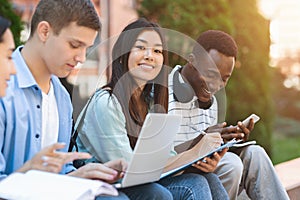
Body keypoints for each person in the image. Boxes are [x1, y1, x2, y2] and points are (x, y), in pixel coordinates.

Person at [74, 18, 229, 200]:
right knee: (191, 186)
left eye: (157, 50)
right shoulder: (106, 103)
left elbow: (166, 158)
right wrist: (195, 151)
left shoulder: (150, 102)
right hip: (107, 186)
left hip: (139, 184)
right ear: (123, 54)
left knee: (209, 178)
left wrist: (201, 159)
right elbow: (130, 170)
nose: (149, 55)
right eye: (141, 48)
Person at [0, 1, 133, 199]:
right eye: (74, 45)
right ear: (44, 32)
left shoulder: (62, 97)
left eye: (86, 48)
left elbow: (60, 174)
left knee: (150, 193)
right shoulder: (5, 88)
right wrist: (30, 171)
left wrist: (83, 174)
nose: (81, 57)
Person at [168, 30, 289, 200]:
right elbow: (160, 161)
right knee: (232, 166)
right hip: (174, 178)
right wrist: (197, 148)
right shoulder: (160, 92)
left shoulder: (210, 100)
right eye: (210, 75)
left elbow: (206, 147)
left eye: (224, 79)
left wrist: (224, 142)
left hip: (200, 170)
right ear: (192, 61)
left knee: (255, 153)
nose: (216, 86)